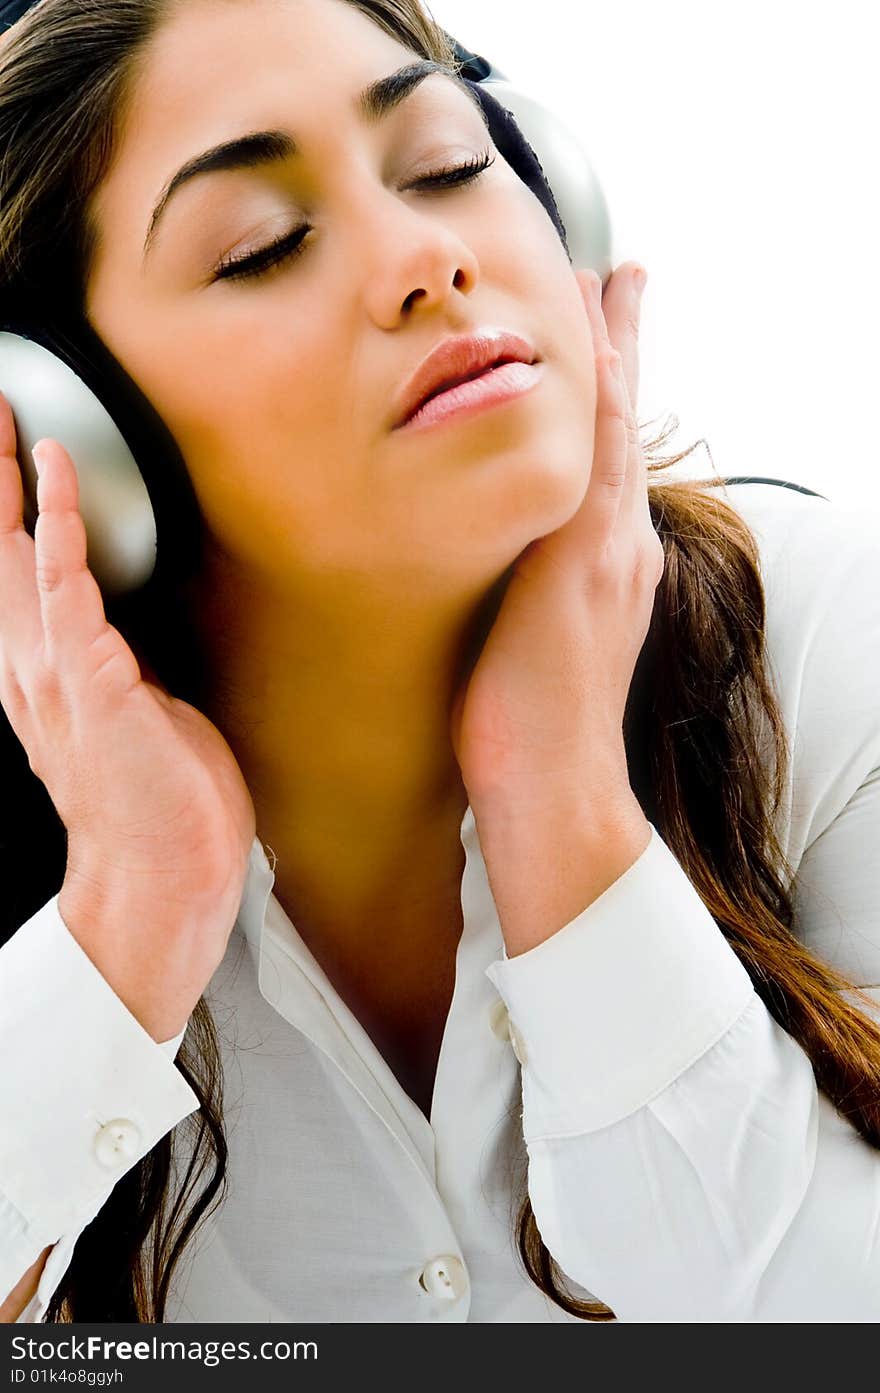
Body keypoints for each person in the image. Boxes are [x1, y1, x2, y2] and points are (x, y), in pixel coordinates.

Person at [1, 0, 879, 1325]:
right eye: (263, 246)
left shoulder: (813, 631)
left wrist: (564, 810)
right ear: (60, 423)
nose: (427, 257)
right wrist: (130, 914)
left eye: (448, 165)